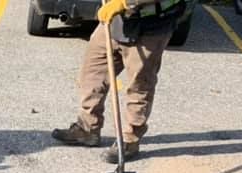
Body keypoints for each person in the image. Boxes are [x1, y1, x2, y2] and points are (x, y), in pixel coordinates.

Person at [51, 0, 185, 163]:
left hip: (151, 26)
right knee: (92, 73)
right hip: (116, 21)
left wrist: (124, 3)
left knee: (139, 85)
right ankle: (88, 128)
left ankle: (129, 141)